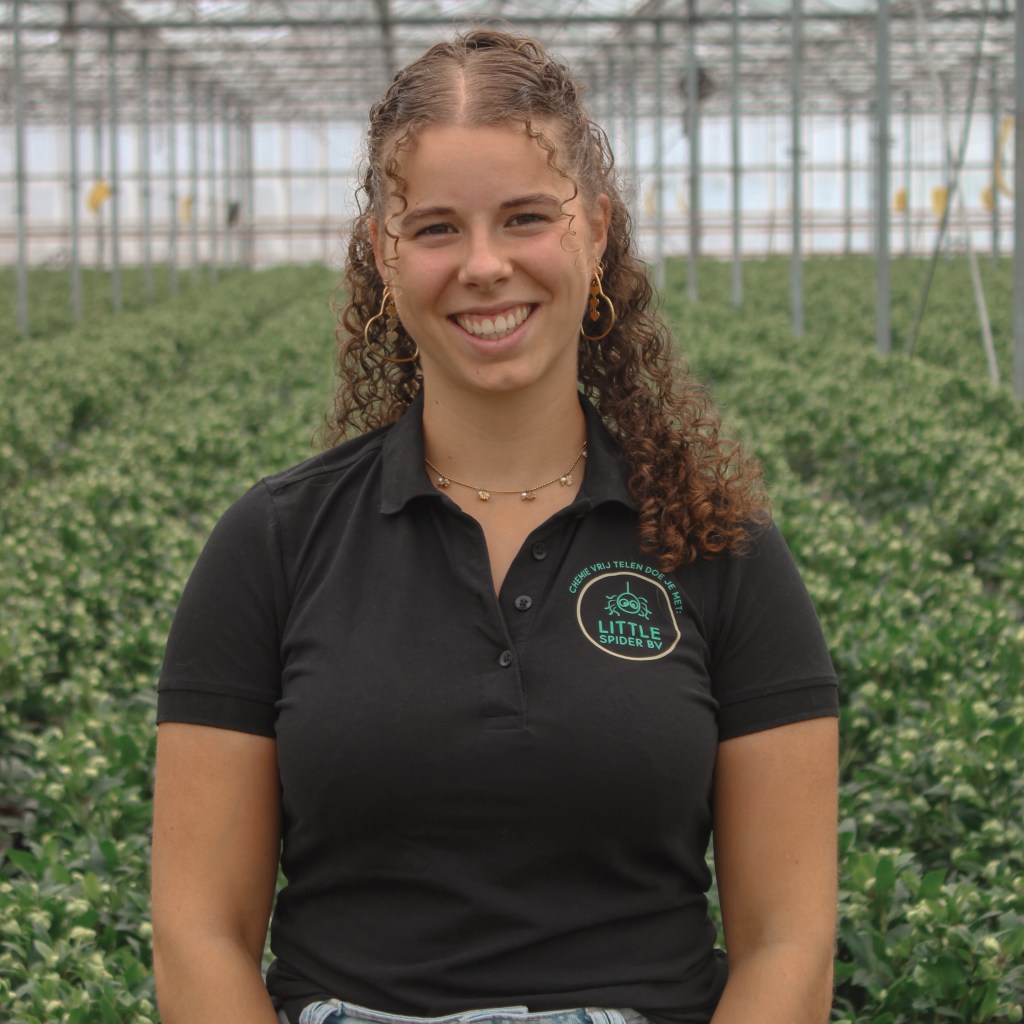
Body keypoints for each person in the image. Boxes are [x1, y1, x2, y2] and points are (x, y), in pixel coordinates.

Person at [150, 27, 839, 1024]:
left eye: (525, 218)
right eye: (435, 228)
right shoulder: (273, 542)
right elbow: (198, 932)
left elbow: (789, 944)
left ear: (595, 231)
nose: (484, 265)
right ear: (385, 254)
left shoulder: (717, 546)